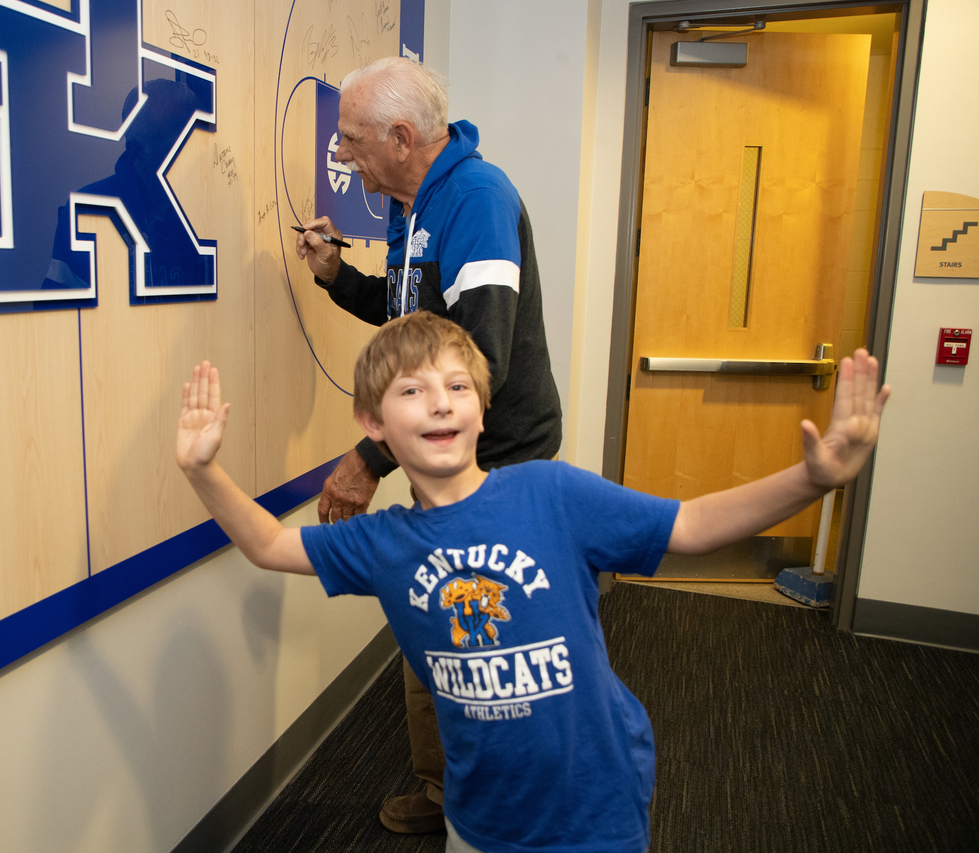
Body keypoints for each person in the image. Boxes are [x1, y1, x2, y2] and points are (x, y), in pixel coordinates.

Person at [176, 311, 889, 853]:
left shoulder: (552, 493)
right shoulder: (382, 543)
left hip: (594, 804)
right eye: (413, 390)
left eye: (458, 386)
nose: (441, 403)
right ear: (373, 424)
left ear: (483, 409)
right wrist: (204, 470)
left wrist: (812, 479)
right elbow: (269, 543)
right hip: (481, 815)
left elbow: (693, 524)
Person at [295, 55, 562, 832]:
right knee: (433, 625)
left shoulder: (474, 199)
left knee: (485, 642)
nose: (341, 155)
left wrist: (369, 457)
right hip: (442, 461)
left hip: (496, 465)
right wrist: (335, 276)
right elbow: (412, 316)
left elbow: (480, 359)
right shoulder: (416, 203)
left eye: (350, 141)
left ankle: (491, 806)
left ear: (403, 137)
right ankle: (447, 791)